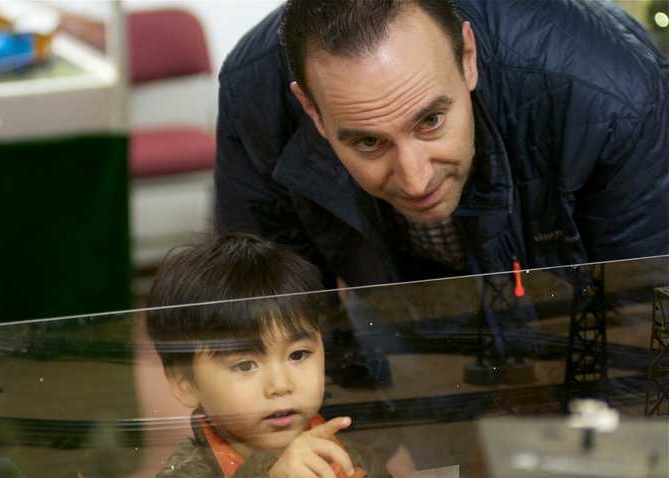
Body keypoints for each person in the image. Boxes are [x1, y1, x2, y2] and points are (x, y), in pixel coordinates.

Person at [215, 0, 669, 288]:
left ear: (467, 57)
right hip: (411, 345)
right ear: (310, 109)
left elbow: (645, 320)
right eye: (369, 142)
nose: (415, 180)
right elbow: (267, 316)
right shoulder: (253, 95)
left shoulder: (610, 95)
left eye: (430, 120)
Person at [146, 233, 391, 477]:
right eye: (244, 365)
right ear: (186, 384)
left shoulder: (352, 456)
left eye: (298, 355)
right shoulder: (186, 472)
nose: (281, 386)